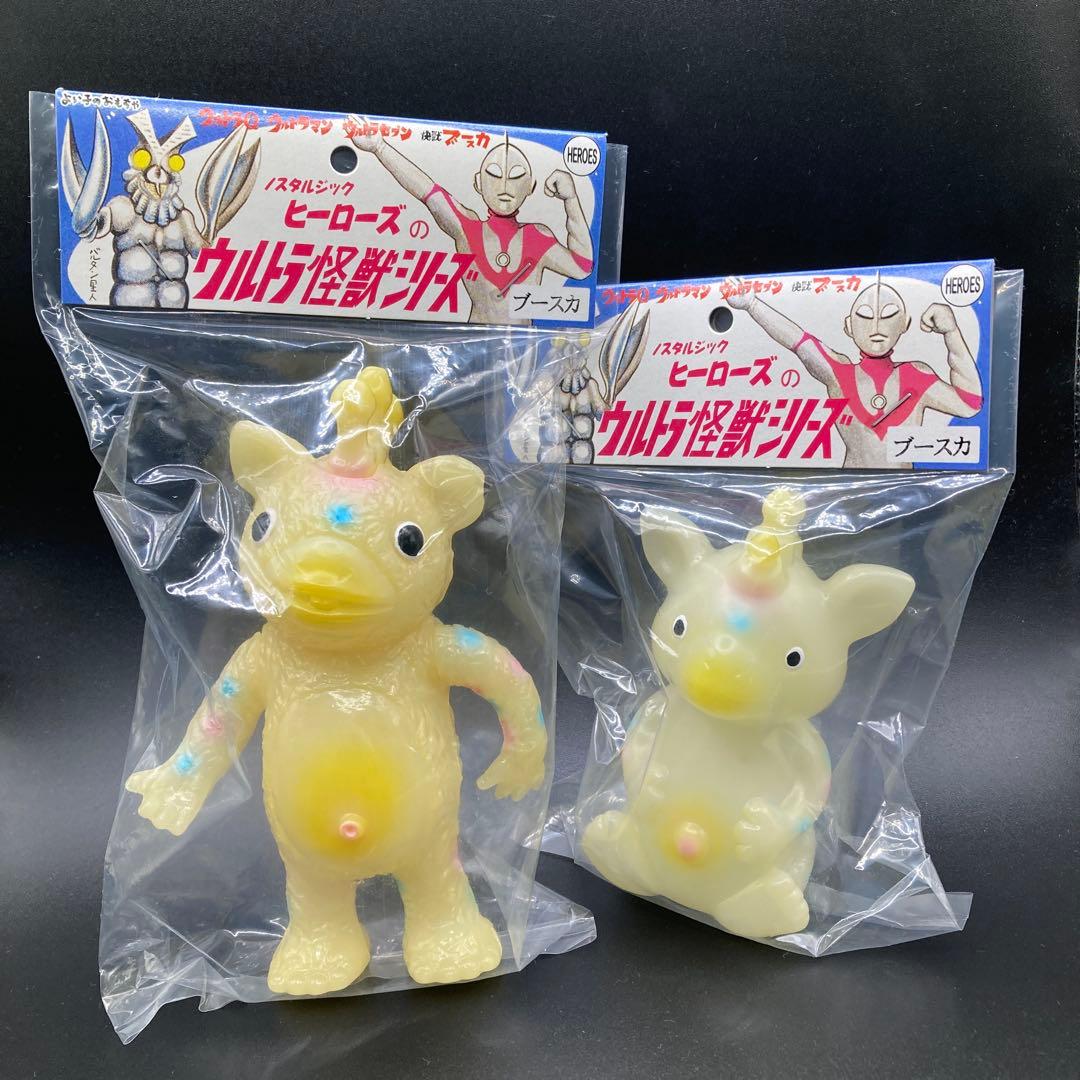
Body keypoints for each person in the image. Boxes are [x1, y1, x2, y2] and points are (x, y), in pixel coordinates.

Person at [350, 119, 594, 324]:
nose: (504, 185)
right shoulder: (467, 227)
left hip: (523, 353)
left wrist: (571, 200)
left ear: (531, 186)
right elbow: (426, 190)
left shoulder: (537, 237)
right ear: (478, 182)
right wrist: (380, 147)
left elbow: (582, 267)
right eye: (494, 174)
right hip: (474, 349)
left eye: (516, 176)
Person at [727, 275, 983, 467]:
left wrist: (952, 333)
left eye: (889, 315)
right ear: (849, 326)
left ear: (904, 323)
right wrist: (752, 304)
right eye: (864, 315)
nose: (876, 325)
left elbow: (969, 403)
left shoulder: (916, 375)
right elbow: (797, 340)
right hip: (851, 496)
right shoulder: (839, 372)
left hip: (903, 497)